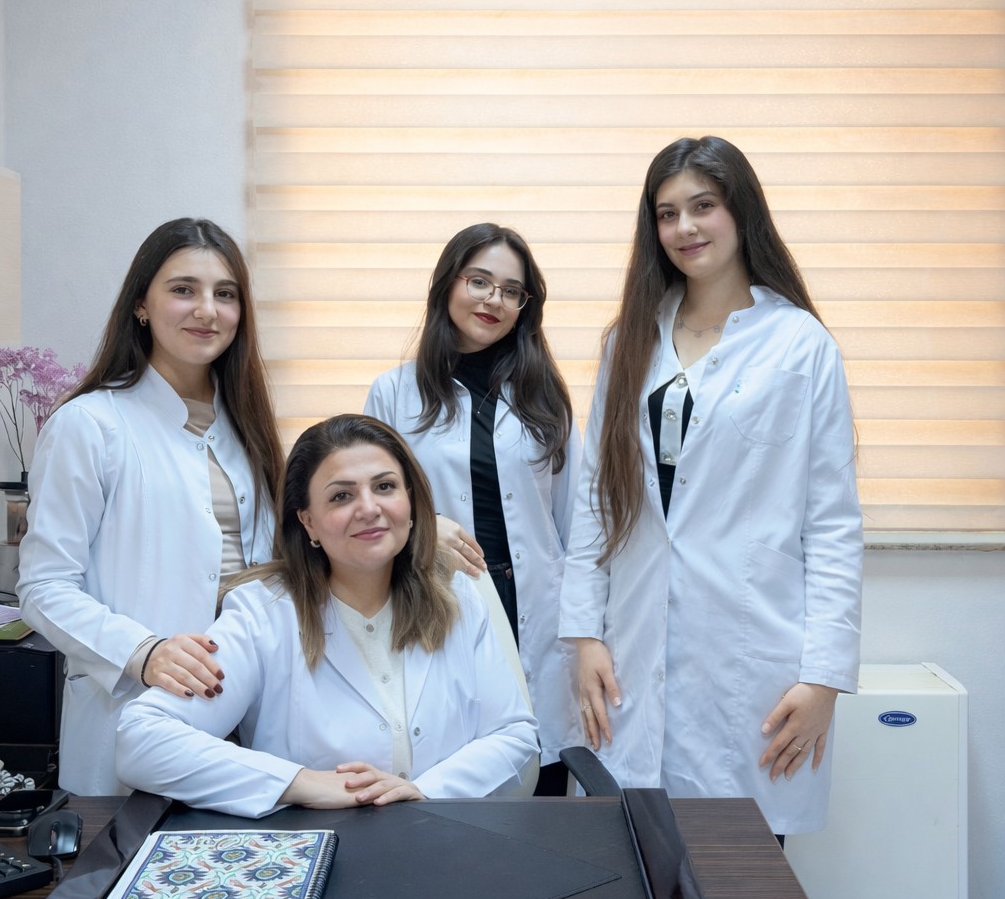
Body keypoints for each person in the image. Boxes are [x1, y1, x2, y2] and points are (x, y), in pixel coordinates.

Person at [559, 136, 862, 835]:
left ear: (740, 211)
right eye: (667, 214)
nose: (685, 228)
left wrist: (824, 678)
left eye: (703, 206)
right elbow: (597, 497)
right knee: (631, 861)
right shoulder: (629, 340)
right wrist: (584, 635)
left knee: (740, 872)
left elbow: (833, 522)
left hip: (750, 652)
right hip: (632, 645)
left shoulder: (800, 345)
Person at [116, 414, 539, 814]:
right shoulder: (263, 614)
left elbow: (514, 732)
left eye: (385, 486)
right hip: (315, 843)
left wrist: (427, 789)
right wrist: (301, 783)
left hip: (445, 836)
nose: (368, 508)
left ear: (411, 501)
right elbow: (142, 739)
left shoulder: (457, 597)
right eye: (341, 496)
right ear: (309, 522)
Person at [17, 218, 283, 795]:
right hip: (139, 709)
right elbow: (43, 586)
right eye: (183, 289)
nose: (207, 310)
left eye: (225, 294)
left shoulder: (251, 429)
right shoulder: (90, 424)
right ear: (141, 304)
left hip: (250, 710)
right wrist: (144, 651)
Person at [364, 223, 581, 794]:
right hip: (445, 599)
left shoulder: (545, 399)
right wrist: (423, 529)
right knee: (458, 777)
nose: (493, 300)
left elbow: (575, 525)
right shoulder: (395, 393)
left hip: (536, 610)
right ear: (448, 285)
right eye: (479, 281)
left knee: (544, 781)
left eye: (512, 291)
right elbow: (370, 508)